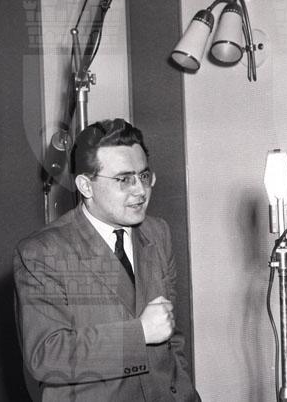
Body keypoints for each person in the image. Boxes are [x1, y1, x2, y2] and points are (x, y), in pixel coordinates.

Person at [14, 119, 200, 401]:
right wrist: (140, 333)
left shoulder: (157, 232)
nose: (140, 190)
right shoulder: (41, 252)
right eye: (124, 179)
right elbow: (46, 355)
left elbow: (172, 337)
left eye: (144, 175)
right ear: (86, 186)